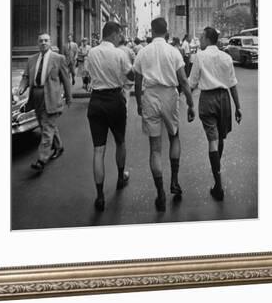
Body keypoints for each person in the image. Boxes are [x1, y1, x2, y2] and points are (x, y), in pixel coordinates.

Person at [134, 18, 195, 212]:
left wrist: (138, 103)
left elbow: (137, 82)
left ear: (151, 31)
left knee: (155, 148)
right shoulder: (174, 51)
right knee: (174, 136)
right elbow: (184, 81)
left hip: (150, 96)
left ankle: (160, 192)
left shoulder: (143, 52)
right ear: (166, 31)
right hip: (170, 95)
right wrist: (191, 104)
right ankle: (174, 181)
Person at [188, 26, 243, 200]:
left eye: (202, 37)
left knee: (212, 140)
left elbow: (192, 82)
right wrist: (238, 107)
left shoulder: (199, 56)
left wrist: (188, 103)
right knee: (220, 139)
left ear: (208, 39)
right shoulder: (226, 57)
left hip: (207, 100)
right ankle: (217, 173)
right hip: (224, 99)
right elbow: (232, 83)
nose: (200, 40)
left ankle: (218, 184)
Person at [85, 21, 135, 211]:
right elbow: (131, 76)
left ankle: (99, 196)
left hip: (96, 101)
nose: (120, 37)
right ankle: (121, 177)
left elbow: (87, 74)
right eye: (119, 34)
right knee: (120, 141)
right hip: (115, 100)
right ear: (113, 34)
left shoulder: (92, 52)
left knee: (99, 150)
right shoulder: (120, 54)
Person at [18, 32, 72, 172]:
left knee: (47, 129)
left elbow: (66, 79)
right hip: (36, 97)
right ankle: (59, 146)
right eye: (41, 40)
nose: (43, 43)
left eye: (46, 40)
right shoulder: (31, 59)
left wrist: (68, 97)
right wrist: (21, 88)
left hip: (52, 97)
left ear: (50, 42)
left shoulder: (58, 58)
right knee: (45, 125)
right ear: (38, 43)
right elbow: (25, 77)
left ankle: (42, 159)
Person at [118, 34, 135, 107]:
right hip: (128, 75)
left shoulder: (115, 49)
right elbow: (134, 60)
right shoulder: (129, 50)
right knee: (126, 96)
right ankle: (125, 112)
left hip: (117, 76)